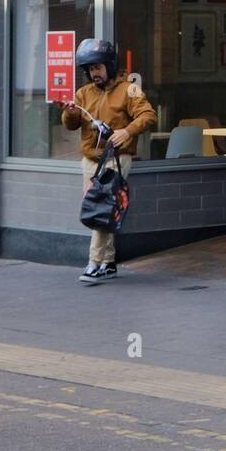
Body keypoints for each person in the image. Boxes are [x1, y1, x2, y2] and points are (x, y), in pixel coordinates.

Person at [60, 39, 157, 284]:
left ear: (110, 65)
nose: (94, 74)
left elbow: (148, 115)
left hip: (117, 157)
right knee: (102, 208)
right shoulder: (83, 93)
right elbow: (71, 125)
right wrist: (69, 111)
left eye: (98, 68)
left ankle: (93, 262)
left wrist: (128, 131)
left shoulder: (130, 89)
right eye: (90, 69)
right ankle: (109, 262)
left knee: (101, 206)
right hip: (91, 159)